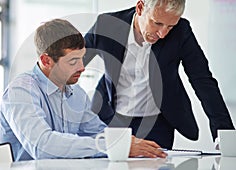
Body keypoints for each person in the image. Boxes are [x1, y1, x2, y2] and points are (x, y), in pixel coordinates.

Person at [0, 19, 166, 161]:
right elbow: (42, 146)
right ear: (46, 61)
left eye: (82, 58)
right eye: (73, 62)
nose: (82, 67)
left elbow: (98, 134)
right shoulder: (20, 91)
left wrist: (130, 143)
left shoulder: (77, 94)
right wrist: (113, 145)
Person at [83, 0, 234, 149]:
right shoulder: (106, 24)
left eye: (170, 26)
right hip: (111, 119)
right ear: (140, 7)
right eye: (157, 23)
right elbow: (71, 62)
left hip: (157, 125)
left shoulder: (181, 31)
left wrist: (225, 135)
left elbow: (202, 81)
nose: (162, 34)